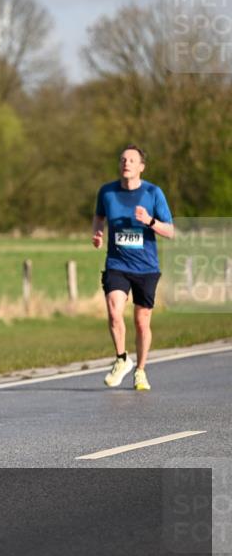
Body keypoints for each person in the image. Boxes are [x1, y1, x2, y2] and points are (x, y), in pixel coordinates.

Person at [92, 144, 174, 391]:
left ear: (141, 167)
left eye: (131, 160)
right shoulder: (107, 192)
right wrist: (97, 233)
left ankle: (140, 370)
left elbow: (170, 231)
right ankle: (121, 359)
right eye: (122, 159)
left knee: (141, 321)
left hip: (146, 267)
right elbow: (99, 216)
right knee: (114, 309)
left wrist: (149, 221)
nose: (126, 163)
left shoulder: (153, 193)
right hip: (117, 263)